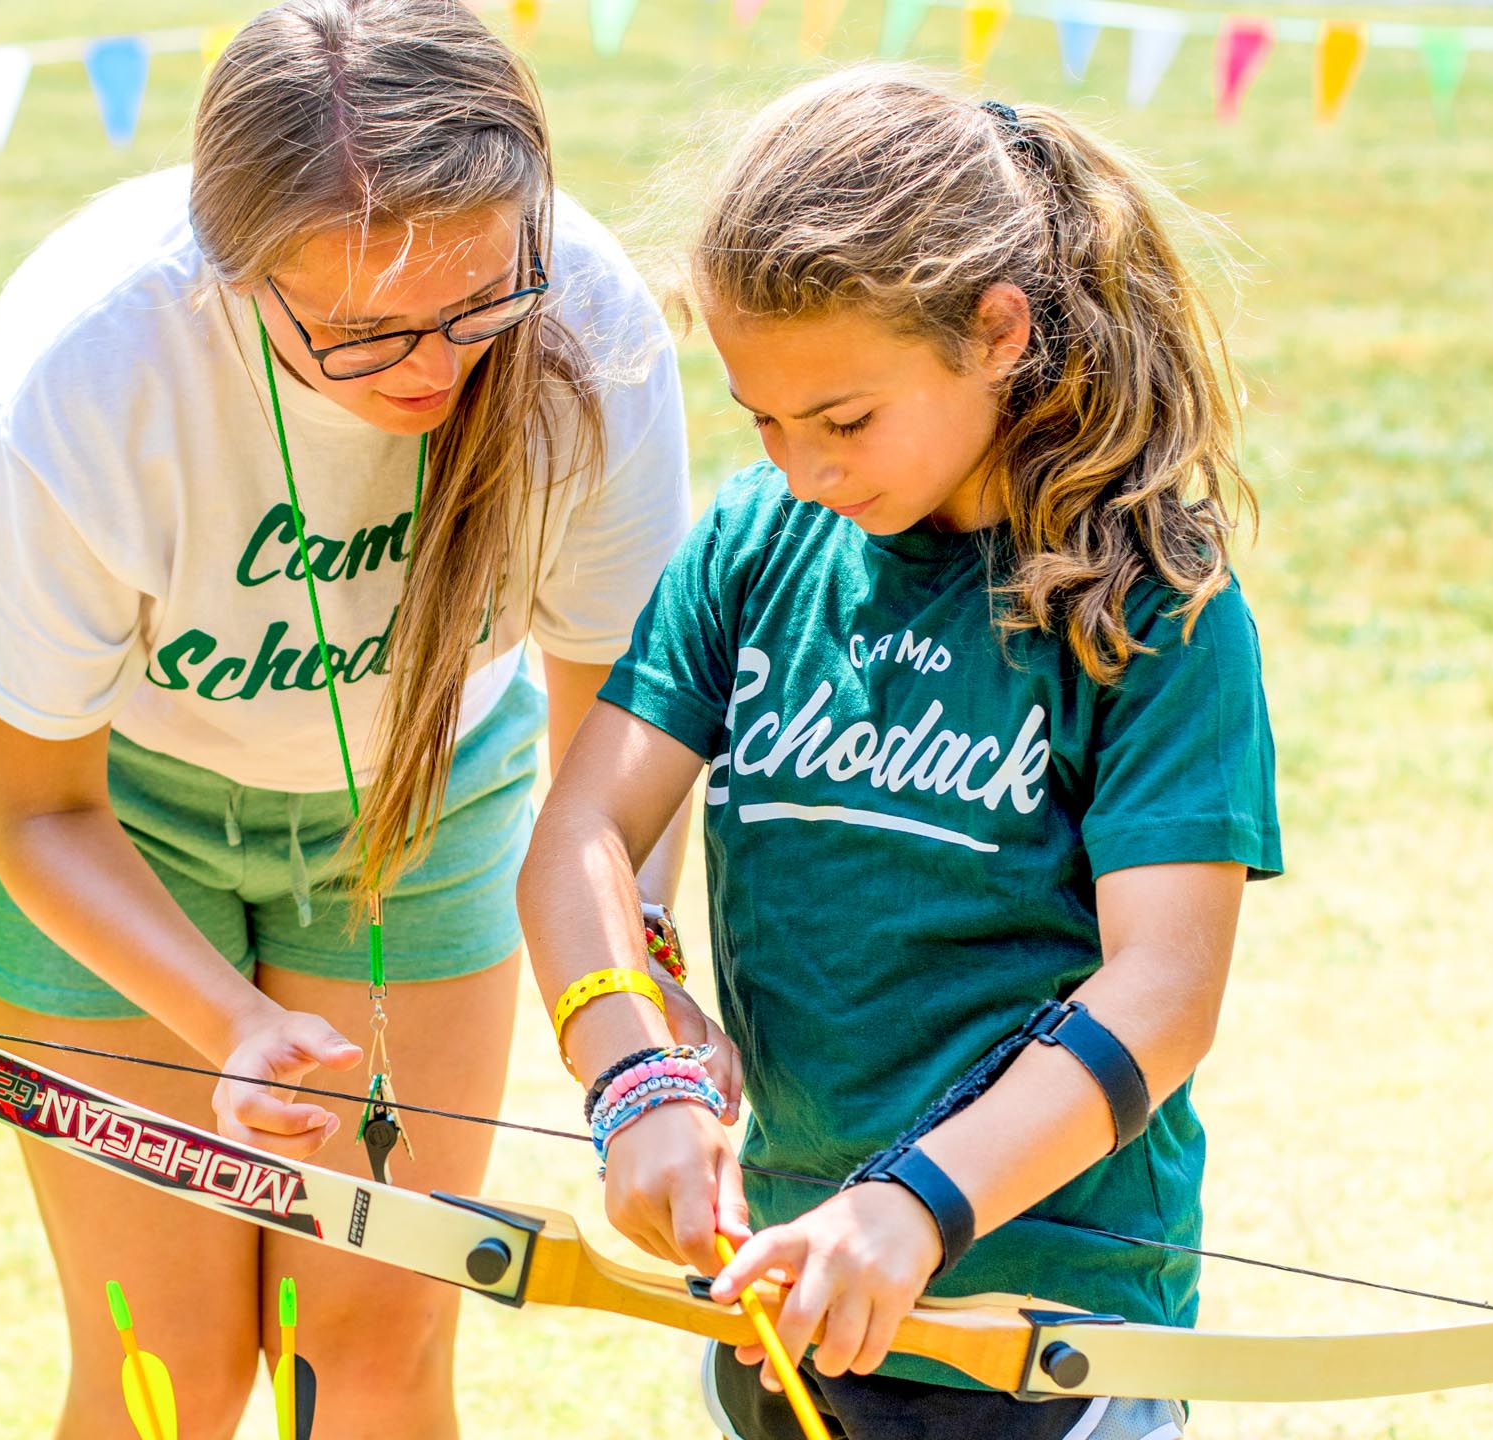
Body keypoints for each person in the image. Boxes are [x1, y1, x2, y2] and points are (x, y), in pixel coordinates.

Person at [0, 2, 696, 1434]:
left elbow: (610, 760)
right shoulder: (94, 365)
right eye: (362, 333)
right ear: (236, 275)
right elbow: (41, 809)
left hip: (425, 796)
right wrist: (229, 1026)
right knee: (170, 1375)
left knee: (371, 1354)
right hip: (97, 817)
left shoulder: (591, 328)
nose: (433, 370)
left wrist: (627, 1022)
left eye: (479, 302)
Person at [517, 69, 1281, 1440]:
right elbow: (578, 837)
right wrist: (630, 1071)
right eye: (762, 419)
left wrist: (918, 1208)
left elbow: (1164, 991)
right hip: (796, 1309)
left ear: (997, 332)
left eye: (845, 420)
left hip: (1046, 1326)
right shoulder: (759, 539)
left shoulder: (1150, 595)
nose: (802, 466)